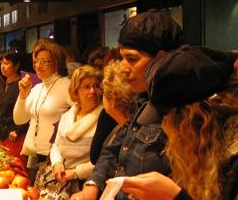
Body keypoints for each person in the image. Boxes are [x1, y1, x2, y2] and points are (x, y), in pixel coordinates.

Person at [121, 45, 238, 200]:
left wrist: (175, 197)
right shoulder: (205, 144)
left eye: (167, 116)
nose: (165, 125)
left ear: (192, 115)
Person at [74, 10, 184, 200]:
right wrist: (92, 184)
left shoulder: (183, 116)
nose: (123, 68)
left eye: (131, 59)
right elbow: (112, 149)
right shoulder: (145, 105)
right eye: (122, 58)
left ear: (160, 58)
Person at [37, 66, 102, 200]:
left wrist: (75, 173)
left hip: (86, 185)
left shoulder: (105, 119)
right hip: (59, 178)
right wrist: (57, 163)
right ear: (76, 91)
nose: (92, 91)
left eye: (96, 86)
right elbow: (56, 146)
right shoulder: (67, 115)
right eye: (87, 87)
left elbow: (105, 160)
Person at [14, 39, 73, 182]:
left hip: (56, 157)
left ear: (57, 62)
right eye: (36, 62)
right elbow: (19, 119)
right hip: (35, 153)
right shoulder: (37, 88)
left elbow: (81, 115)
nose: (38, 66)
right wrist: (22, 95)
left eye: (44, 62)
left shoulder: (67, 86)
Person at [0, 51, 28, 166]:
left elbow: (28, 109)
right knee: (5, 167)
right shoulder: (5, 83)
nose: (2, 66)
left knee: (16, 168)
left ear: (16, 65)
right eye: (1, 63)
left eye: (7, 63)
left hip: (15, 136)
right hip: (3, 134)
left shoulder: (21, 85)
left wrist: (18, 130)